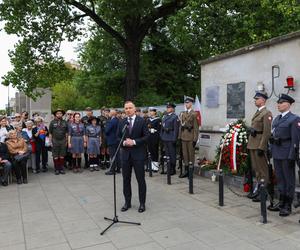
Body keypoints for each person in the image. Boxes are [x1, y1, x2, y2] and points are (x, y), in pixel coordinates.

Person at [270, 94, 300, 217]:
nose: (278, 105)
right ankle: (281, 201)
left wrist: (292, 155)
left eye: (281, 102)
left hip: (287, 153)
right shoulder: (276, 119)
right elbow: (273, 135)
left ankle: (288, 204)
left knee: (289, 180)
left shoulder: (294, 119)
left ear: (288, 104)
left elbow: (295, 140)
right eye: (278, 103)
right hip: (277, 152)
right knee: (280, 179)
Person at [118, 101, 149, 213]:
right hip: (125, 156)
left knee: (140, 180)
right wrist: (125, 143)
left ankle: (142, 203)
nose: (128, 110)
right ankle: (127, 202)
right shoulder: (122, 122)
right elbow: (117, 138)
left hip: (138, 155)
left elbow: (146, 137)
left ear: (134, 109)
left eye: (130, 108)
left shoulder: (142, 121)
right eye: (126, 108)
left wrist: (134, 142)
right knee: (126, 180)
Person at [246, 91, 272, 201]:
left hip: (259, 145)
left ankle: (263, 193)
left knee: (262, 170)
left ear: (263, 100)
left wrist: (262, 147)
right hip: (253, 144)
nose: (255, 101)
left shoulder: (266, 113)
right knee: (256, 170)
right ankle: (258, 189)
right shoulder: (258, 112)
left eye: (257, 99)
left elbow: (266, 132)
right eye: (255, 99)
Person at [178, 97, 200, 178]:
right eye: (185, 103)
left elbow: (196, 128)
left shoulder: (194, 114)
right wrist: (179, 137)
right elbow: (181, 126)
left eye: (188, 103)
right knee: (185, 155)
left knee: (191, 155)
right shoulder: (183, 114)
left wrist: (195, 139)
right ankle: (186, 171)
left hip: (190, 138)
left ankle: (191, 172)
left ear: (191, 104)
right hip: (184, 137)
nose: (186, 104)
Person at [160, 103, 179, 175]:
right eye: (167, 107)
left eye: (169, 108)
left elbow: (176, 129)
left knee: (172, 154)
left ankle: (172, 169)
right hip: (165, 137)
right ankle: (168, 168)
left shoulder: (175, 117)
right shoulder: (164, 117)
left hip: (171, 138)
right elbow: (162, 127)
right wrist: (161, 136)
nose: (167, 109)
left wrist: (174, 139)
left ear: (172, 109)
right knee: (167, 154)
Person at [49, 108, 68, 175]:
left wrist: (66, 141)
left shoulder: (65, 122)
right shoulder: (52, 122)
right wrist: (50, 142)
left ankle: (61, 168)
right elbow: (50, 133)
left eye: (60, 113)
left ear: (62, 114)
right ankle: (56, 169)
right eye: (57, 113)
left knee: (62, 155)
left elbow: (66, 133)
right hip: (55, 141)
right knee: (55, 156)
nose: (59, 114)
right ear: (55, 115)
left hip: (63, 141)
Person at [105, 109, 120, 175]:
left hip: (112, 140)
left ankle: (112, 170)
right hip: (117, 140)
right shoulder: (118, 120)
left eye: (110, 113)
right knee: (117, 155)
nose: (108, 114)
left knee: (112, 155)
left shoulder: (111, 121)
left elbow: (107, 130)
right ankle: (118, 168)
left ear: (112, 114)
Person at [147, 107, 161, 172]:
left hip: (155, 137)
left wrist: (154, 130)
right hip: (149, 137)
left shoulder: (158, 120)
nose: (150, 112)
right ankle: (151, 166)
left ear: (155, 112)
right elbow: (146, 127)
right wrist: (149, 130)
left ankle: (155, 166)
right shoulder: (148, 120)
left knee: (155, 151)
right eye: (150, 111)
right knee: (150, 151)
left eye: (152, 111)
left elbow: (159, 129)